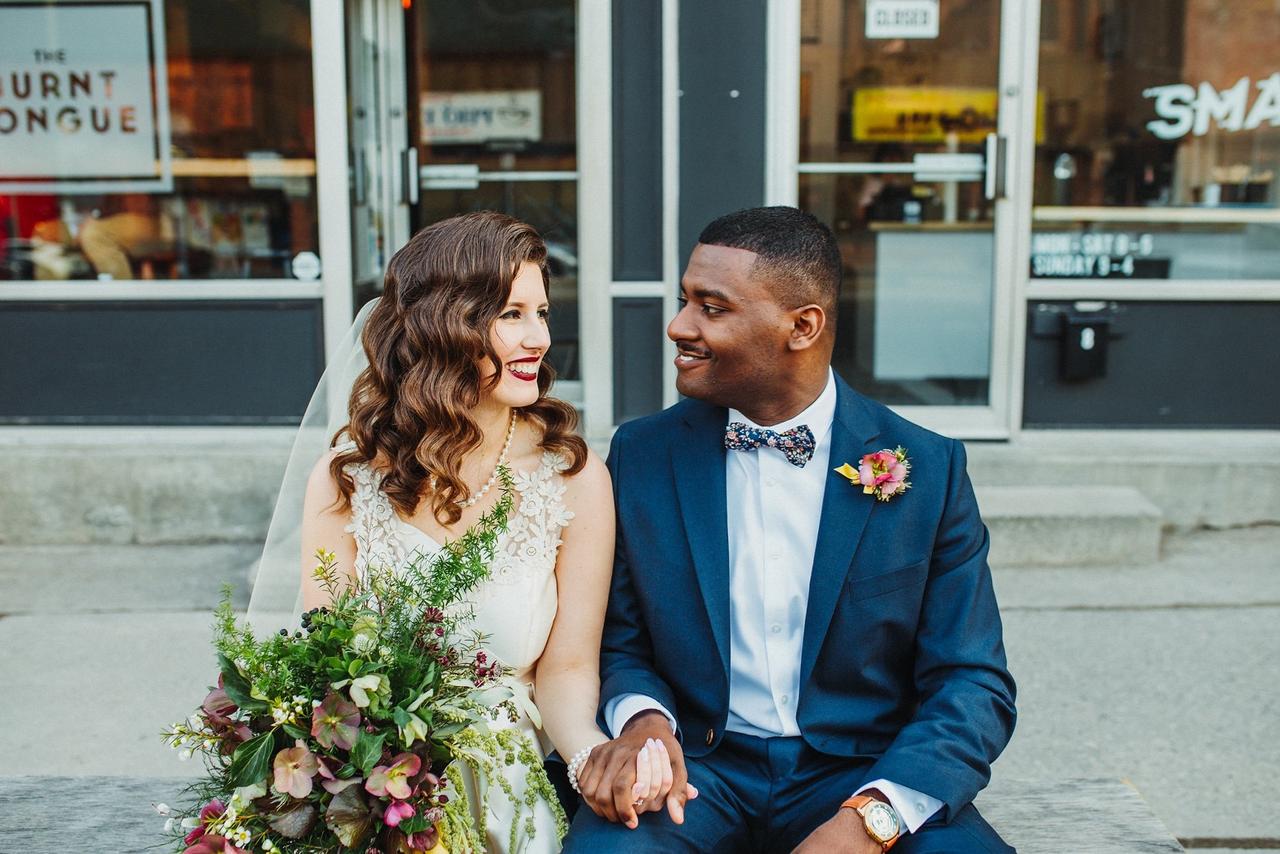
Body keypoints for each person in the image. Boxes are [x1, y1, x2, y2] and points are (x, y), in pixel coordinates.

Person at [564, 206, 1016, 853]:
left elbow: (973, 681)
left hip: (863, 771)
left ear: (801, 327)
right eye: (684, 300)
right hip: (699, 770)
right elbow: (623, 639)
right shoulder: (643, 454)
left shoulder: (929, 468)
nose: (678, 326)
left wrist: (873, 818)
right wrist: (643, 722)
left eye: (711, 308)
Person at [292, 212, 681, 852]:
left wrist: (588, 761)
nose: (539, 338)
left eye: (543, 313)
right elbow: (323, 666)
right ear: (444, 324)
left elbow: (570, 667)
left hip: (507, 780)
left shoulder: (573, 478)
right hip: (374, 783)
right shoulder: (346, 481)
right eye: (510, 315)